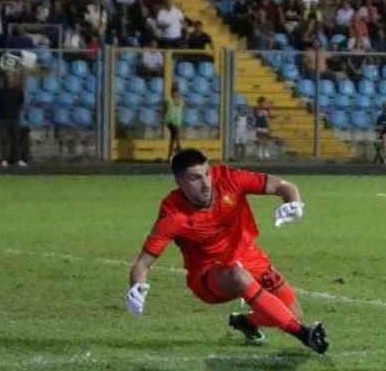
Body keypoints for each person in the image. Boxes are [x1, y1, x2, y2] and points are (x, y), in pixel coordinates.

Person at [125, 149, 328, 353]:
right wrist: (136, 287)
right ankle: (304, 334)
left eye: (207, 174)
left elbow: (283, 186)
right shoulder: (172, 215)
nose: (206, 184)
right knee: (237, 274)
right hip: (208, 276)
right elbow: (143, 264)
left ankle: (246, 322)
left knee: (293, 313)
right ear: (179, 181)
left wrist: (293, 202)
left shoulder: (230, 179)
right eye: (195, 178)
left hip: (249, 256)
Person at [0, 73, 26, 168]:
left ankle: (18, 159)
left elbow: (22, 104)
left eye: (11, 79)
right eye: (7, 79)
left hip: (15, 118)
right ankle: (4, 159)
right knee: (4, 140)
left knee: (16, 140)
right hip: (3, 119)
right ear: (4, 81)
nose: (9, 81)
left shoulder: (18, 92)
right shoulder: (0, 92)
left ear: (13, 81)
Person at [163, 84, 185, 160]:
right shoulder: (168, 100)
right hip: (170, 121)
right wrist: (164, 120)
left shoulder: (181, 101)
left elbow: (181, 110)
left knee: (173, 138)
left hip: (177, 122)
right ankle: (179, 148)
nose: (175, 93)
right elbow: (164, 110)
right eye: (173, 91)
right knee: (175, 134)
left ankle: (170, 155)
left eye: (176, 91)